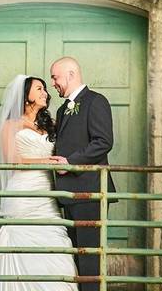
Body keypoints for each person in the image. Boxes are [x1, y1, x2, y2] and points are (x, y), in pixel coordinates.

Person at [0, 75, 77, 291]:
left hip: (47, 194)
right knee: (22, 243)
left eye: (45, 88)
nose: (45, 92)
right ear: (25, 96)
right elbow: (14, 162)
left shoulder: (50, 124)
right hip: (23, 194)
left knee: (54, 242)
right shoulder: (11, 125)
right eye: (39, 88)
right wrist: (46, 161)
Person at [49, 57, 115, 291]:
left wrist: (72, 162)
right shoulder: (61, 108)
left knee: (90, 259)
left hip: (91, 191)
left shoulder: (95, 101)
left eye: (55, 77)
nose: (53, 83)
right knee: (75, 256)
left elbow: (103, 142)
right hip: (69, 194)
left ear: (71, 74)